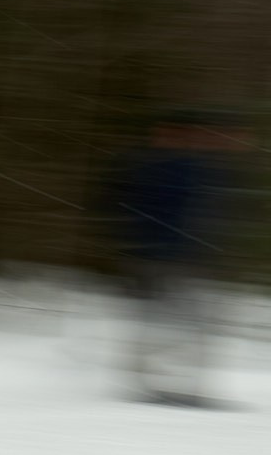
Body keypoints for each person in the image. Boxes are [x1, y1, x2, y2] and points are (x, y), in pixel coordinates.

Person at [105, 110, 250, 407]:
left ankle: (169, 383)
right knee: (175, 322)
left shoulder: (191, 167)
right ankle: (153, 382)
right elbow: (134, 209)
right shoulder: (165, 168)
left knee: (180, 322)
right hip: (165, 257)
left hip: (178, 257)